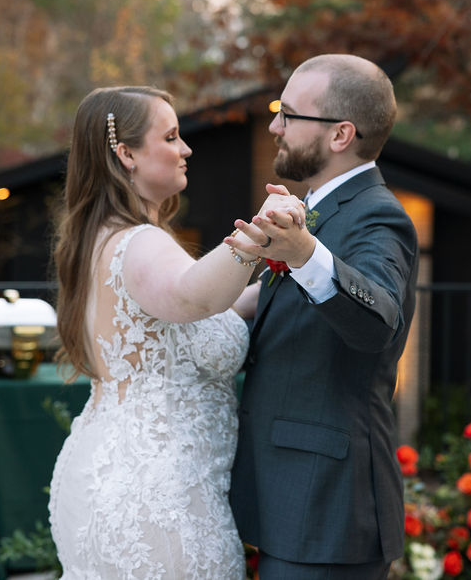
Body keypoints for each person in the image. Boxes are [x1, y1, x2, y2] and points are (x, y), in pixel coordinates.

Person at [47, 85, 303, 579]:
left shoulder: (99, 240)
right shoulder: (140, 242)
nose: (186, 149)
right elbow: (196, 297)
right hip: (156, 500)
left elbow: (209, 309)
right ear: (126, 155)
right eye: (171, 136)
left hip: (107, 475)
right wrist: (256, 237)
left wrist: (293, 269)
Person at [226, 54, 419, 579]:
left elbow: (379, 323)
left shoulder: (378, 216)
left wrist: (306, 254)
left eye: (288, 114)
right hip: (288, 496)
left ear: (340, 135)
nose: (273, 126)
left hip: (328, 506)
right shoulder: (312, 212)